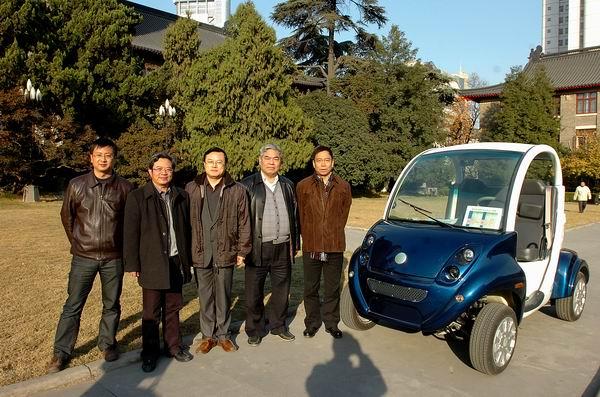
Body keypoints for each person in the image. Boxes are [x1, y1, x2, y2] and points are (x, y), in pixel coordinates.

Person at [47, 137, 133, 373]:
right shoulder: (76, 185)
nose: (103, 159)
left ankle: (107, 343)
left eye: (108, 155)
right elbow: (67, 217)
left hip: (113, 258)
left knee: (111, 304)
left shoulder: (125, 187)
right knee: (73, 305)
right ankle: (61, 352)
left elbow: (128, 223)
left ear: (114, 158)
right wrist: (77, 243)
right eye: (99, 155)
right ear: (91, 158)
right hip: (83, 257)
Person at [123, 152, 194, 373]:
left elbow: (186, 230)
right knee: (151, 312)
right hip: (152, 261)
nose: (164, 173)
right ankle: (150, 353)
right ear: (150, 172)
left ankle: (173, 346)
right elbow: (130, 233)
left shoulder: (181, 196)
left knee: (173, 307)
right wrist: (132, 264)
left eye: (168, 169)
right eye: (159, 169)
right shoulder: (137, 197)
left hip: (175, 260)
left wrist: (188, 260)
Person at [185, 147, 251, 354]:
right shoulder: (191, 189)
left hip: (225, 250)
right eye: (210, 161)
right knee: (205, 296)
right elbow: (185, 223)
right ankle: (207, 336)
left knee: (223, 295)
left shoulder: (237, 190)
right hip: (201, 250)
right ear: (203, 164)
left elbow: (244, 222)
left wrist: (242, 251)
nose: (214, 165)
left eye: (219, 162)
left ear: (225, 165)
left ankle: (223, 335)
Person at [241, 143, 300, 346]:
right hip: (258, 247)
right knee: (254, 292)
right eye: (268, 158)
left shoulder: (288, 185)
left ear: (280, 162)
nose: (271, 162)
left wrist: (296, 242)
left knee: (282, 290)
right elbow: (241, 219)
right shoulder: (247, 185)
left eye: (276, 158)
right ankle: (255, 330)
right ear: (260, 160)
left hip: (283, 246)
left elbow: (295, 216)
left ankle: (278, 325)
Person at [297, 146, 352, 339]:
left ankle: (331, 322)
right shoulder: (303, 186)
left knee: (332, 287)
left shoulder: (343, 186)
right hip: (311, 245)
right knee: (310, 288)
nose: (323, 163)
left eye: (326, 160)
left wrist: (331, 232)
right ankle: (312, 323)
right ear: (313, 163)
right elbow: (300, 216)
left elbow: (343, 214)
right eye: (319, 160)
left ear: (332, 162)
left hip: (334, 245)